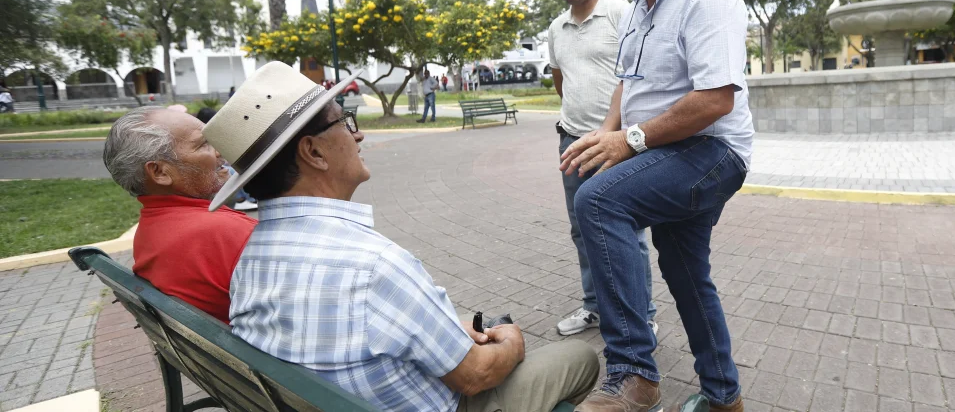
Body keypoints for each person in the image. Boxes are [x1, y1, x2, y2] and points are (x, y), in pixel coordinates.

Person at [202, 62, 599, 412]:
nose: (358, 136)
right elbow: (476, 375)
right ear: (314, 153)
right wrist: (511, 340)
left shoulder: (249, 261)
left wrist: (446, 330)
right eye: (344, 121)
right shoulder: (372, 266)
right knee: (579, 358)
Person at [561, 0, 753, 412]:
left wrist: (630, 140)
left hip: (711, 152)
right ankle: (724, 396)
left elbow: (715, 99)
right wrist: (605, 133)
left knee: (598, 202)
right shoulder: (640, 5)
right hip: (667, 153)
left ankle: (633, 374)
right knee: (685, 271)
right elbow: (628, 84)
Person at [546, 0, 657, 339]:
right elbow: (561, 82)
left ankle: (643, 314)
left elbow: (637, 78)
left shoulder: (621, 14)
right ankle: (594, 306)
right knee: (582, 230)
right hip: (573, 144)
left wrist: (615, 132)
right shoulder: (556, 28)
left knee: (627, 231)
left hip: (616, 146)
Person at [102, 107, 255, 323]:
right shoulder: (224, 231)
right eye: (204, 144)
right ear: (160, 172)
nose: (219, 151)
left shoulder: (152, 228)